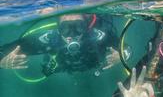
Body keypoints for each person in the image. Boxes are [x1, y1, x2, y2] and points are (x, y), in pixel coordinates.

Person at [0, 14, 130, 76]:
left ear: (87, 26)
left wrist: (122, 56)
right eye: (65, 28)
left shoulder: (98, 35)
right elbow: (5, 49)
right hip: (63, 67)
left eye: (79, 27)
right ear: (58, 28)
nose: (72, 35)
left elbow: (127, 48)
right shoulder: (50, 39)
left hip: (93, 66)